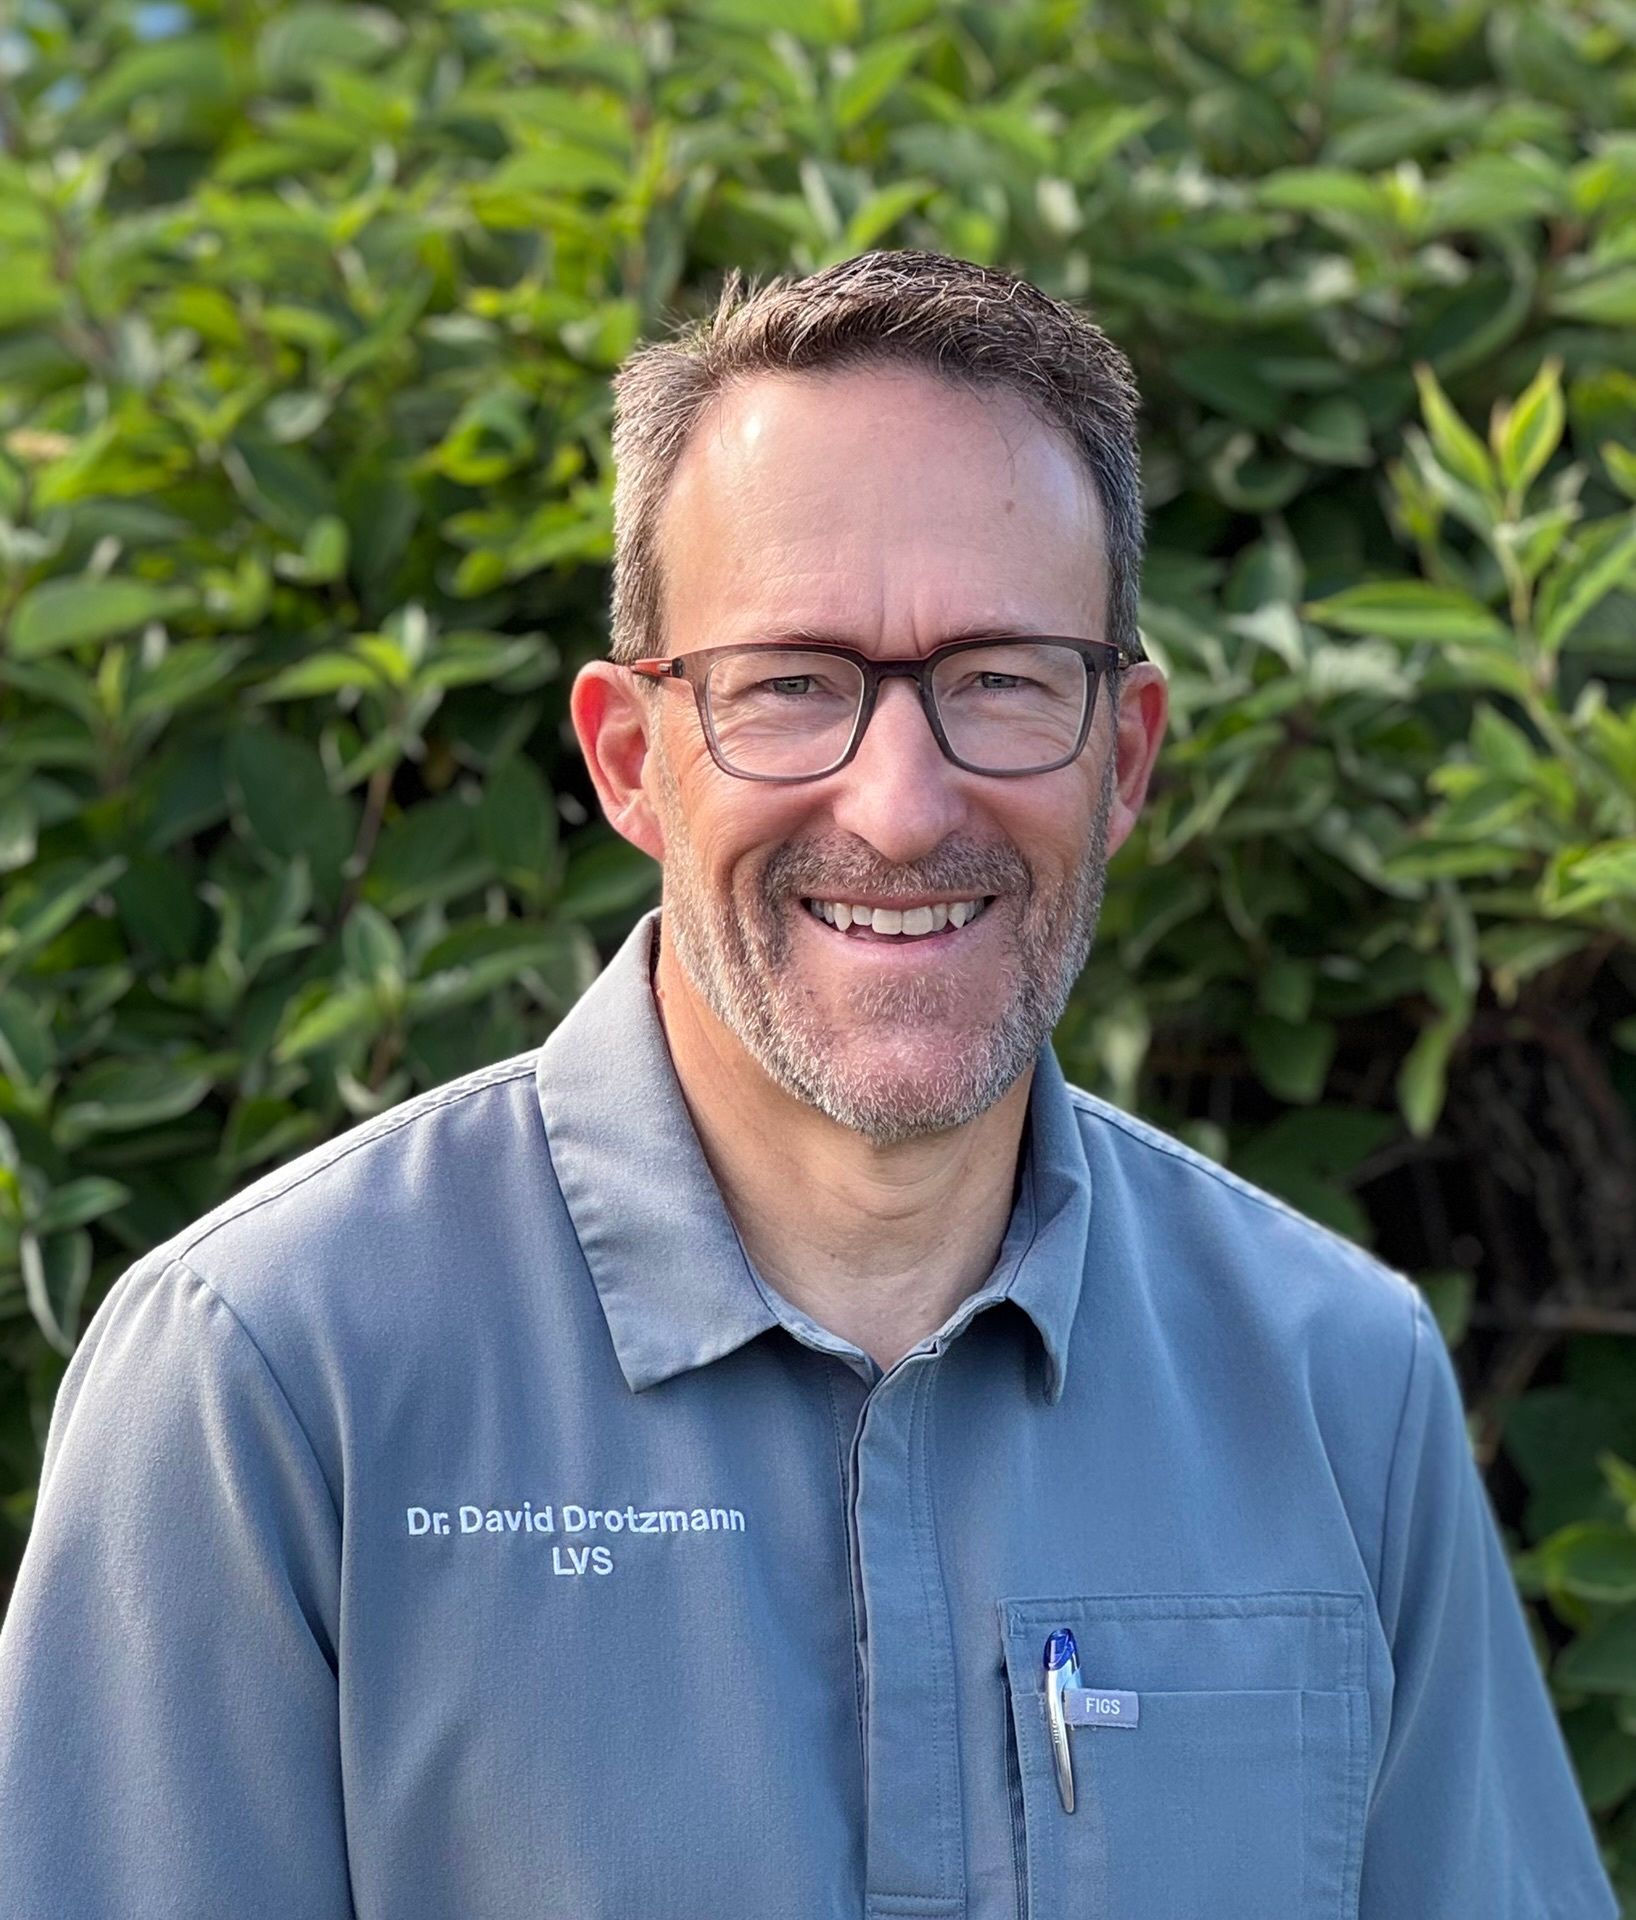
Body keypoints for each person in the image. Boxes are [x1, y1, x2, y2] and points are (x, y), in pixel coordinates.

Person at [0, 250, 1616, 1920]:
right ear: (632, 759)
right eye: (792, 685)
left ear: (1122, 757)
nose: (903, 806)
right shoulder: (269, 1390)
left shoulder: (1343, 1390)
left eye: (999, 677)